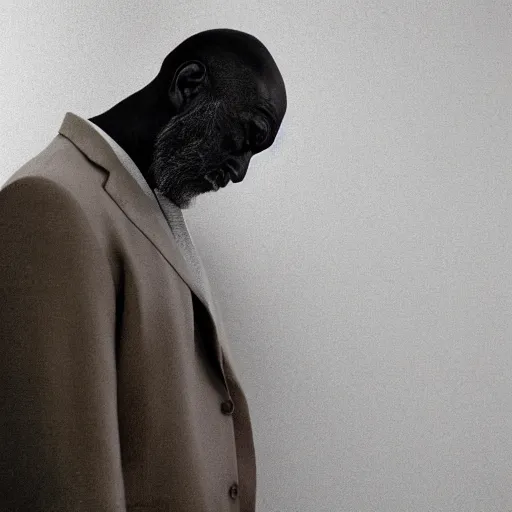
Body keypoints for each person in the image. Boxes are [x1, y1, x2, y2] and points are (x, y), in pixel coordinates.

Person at [0, 28, 287, 511]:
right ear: (189, 84)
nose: (240, 171)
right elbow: (58, 484)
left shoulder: (148, 200)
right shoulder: (48, 202)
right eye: (247, 137)